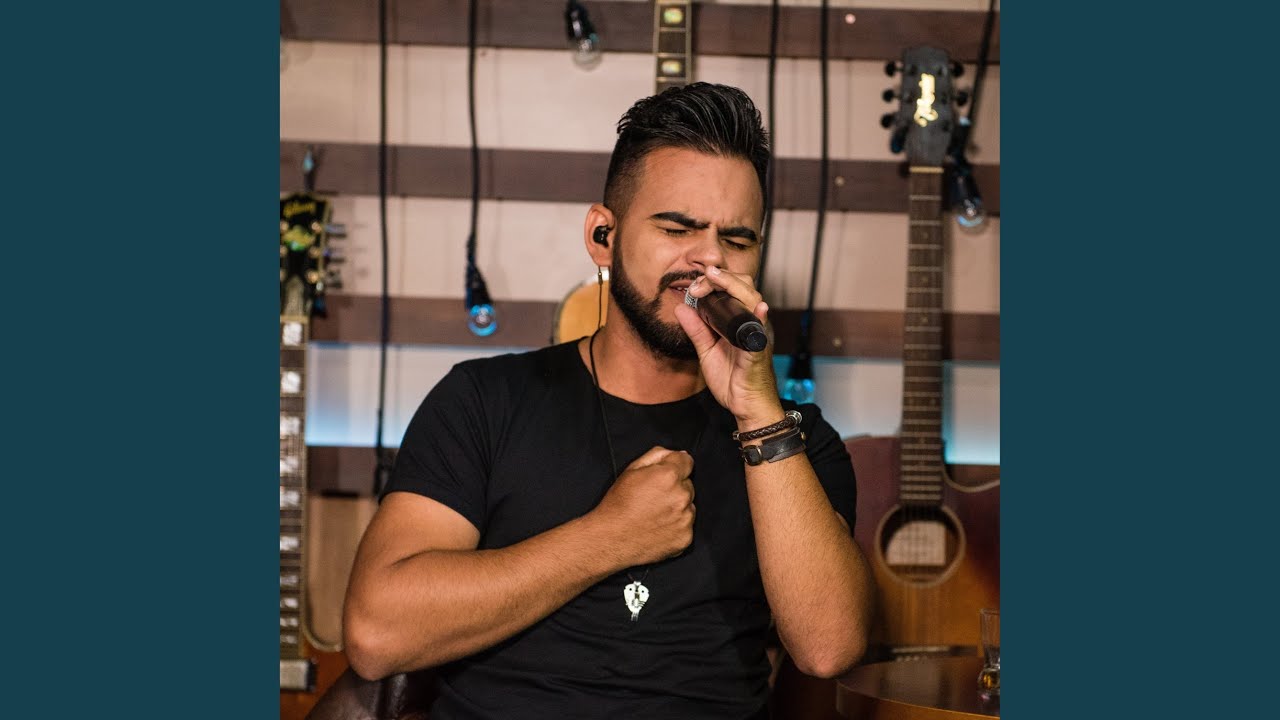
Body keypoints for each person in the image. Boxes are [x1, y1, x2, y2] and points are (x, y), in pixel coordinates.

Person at [342, 82, 875, 719]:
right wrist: (609, 537)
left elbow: (829, 647)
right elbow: (376, 634)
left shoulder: (796, 438)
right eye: (677, 228)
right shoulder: (484, 401)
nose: (709, 259)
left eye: (737, 240)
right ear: (603, 236)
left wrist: (758, 413)